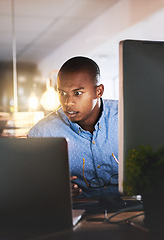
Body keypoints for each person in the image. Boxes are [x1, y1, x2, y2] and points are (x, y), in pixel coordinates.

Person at [27, 56, 119, 198]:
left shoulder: (126, 117)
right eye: (62, 93)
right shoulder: (42, 134)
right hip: (78, 215)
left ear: (99, 91)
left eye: (77, 93)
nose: (68, 102)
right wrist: (53, 189)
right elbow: (30, 186)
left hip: (133, 210)